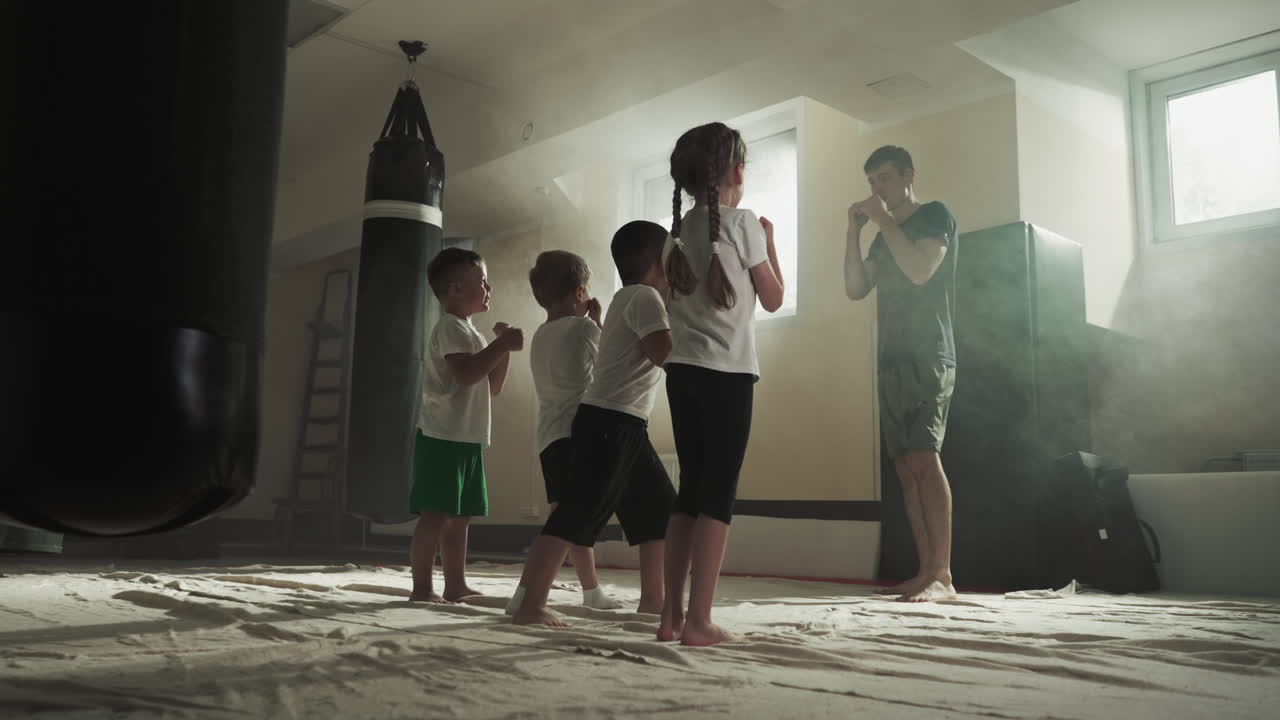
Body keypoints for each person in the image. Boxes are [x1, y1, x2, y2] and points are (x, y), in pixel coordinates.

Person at [657, 122, 785, 646]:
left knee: (689, 492)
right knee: (717, 497)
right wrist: (771, 244)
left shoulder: (673, 235)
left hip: (682, 373)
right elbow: (774, 298)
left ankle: (671, 616)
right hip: (728, 375)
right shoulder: (744, 222)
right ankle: (700, 622)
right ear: (735, 170)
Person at [510, 221, 676, 627]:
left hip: (623, 423)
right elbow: (664, 353)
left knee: (659, 510)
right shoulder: (644, 298)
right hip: (609, 422)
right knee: (573, 515)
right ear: (660, 263)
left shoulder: (629, 298)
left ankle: (653, 601)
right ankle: (530, 604)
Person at [843, 145, 959, 603]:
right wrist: (853, 232)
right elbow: (855, 289)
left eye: (884, 179)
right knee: (905, 467)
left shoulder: (934, 214)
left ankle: (943, 573)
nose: (877, 190)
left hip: (928, 352)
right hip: (890, 358)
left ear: (909, 175)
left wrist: (885, 221)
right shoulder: (881, 236)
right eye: (872, 182)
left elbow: (919, 271)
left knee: (924, 458)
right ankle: (925, 570)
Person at [410, 247, 523, 603]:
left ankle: (455, 585)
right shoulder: (450, 327)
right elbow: (466, 375)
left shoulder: (471, 333)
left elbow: (492, 386)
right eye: (483, 282)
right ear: (456, 289)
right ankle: (422, 589)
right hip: (442, 434)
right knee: (435, 515)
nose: (489, 289)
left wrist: (501, 350)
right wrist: (501, 343)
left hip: (467, 436)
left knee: (460, 518)